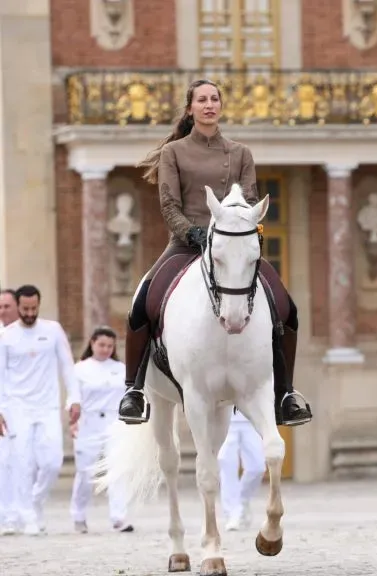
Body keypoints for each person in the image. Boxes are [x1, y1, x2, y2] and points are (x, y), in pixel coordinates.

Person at [117, 78, 313, 428]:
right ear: (190, 108)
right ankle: (133, 389)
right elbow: (168, 204)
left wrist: (243, 223)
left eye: (215, 99)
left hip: (232, 244)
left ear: (221, 106)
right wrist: (191, 232)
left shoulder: (240, 153)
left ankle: (286, 393)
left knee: (287, 306)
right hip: (185, 245)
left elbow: (251, 199)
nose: (209, 105)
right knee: (143, 301)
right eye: (202, 100)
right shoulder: (173, 153)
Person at [0, 285, 81, 535]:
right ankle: (26, 516)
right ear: (18, 306)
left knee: (52, 462)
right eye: (25, 309)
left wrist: (74, 399)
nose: (29, 313)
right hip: (16, 406)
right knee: (21, 462)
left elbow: (67, 366)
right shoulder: (6, 336)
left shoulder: (53, 330)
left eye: (33, 308)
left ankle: (34, 502)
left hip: (47, 405)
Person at [69, 326, 134, 534]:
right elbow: (73, 397)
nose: (105, 349)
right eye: (101, 345)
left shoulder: (121, 368)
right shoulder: (79, 369)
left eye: (109, 345)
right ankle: (78, 516)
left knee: (117, 471)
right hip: (89, 423)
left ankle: (119, 516)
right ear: (92, 344)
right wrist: (72, 419)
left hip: (115, 423)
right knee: (85, 473)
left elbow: (128, 395)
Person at [217, 408, 266, 531]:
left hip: (251, 419)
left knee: (258, 466)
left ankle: (242, 501)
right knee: (227, 465)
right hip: (224, 419)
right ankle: (232, 514)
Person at [0, 288, 20, 535]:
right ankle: (8, 515)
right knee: (5, 463)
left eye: (6, 306)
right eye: (0, 306)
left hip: (23, 406)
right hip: (5, 406)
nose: (3, 311)